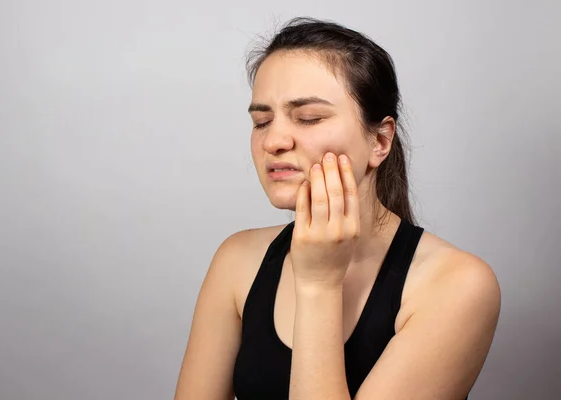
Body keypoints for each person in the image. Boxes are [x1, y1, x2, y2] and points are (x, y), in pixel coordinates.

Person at [173, 17, 501, 400]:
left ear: (380, 140)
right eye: (262, 121)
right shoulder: (237, 260)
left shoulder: (457, 285)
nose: (273, 140)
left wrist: (318, 285)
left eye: (308, 118)